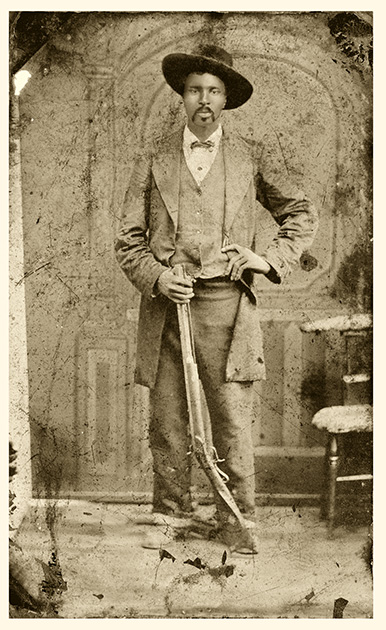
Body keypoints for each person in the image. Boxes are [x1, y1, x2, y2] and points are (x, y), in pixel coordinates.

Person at [115, 44, 318, 553]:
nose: (203, 100)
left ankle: (239, 516)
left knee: (230, 418)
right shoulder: (153, 156)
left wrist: (267, 259)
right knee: (168, 417)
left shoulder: (251, 156)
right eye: (194, 90)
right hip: (167, 307)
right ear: (182, 96)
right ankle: (171, 514)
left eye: (214, 91)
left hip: (228, 305)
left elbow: (300, 213)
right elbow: (128, 240)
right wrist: (159, 279)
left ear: (226, 99)